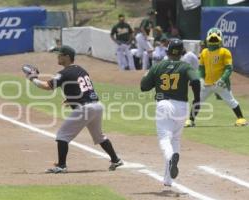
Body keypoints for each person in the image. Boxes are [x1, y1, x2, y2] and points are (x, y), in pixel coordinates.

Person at [23, 45, 123, 173]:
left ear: (67, 57)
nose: (57, 57)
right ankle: (115, 159)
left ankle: (61, 166)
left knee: (62, 135)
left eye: (60, 55)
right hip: (96, 106)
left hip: (85, 108)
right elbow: (84, 89)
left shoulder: (64, 73)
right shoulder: (81, 70)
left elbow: (47, 86)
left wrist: (33, 79)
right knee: (99, 136)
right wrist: (71, 99)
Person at [140, 38, 201, 186]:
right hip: (182, 107)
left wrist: (147, 76)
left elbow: (144, 87)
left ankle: (172, 156)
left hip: (164, 104)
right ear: (181, 53)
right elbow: (196, 81)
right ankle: (168, 180)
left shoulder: (158, 66)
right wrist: (197, 99)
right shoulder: (186, 66)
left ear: (167, 51)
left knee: (164, 139)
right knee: (175, 139)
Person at [185, 27, 248, 127]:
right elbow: (201, 68)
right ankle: (191, 120)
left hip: (220, 84)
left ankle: (241, 119)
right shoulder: (204, 52)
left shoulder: (225, 52)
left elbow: (229, 68)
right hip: (206, 84)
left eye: (215, 39)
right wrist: (200, 79)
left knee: (231, 101)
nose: (213, 41)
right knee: (197, 100)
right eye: (211, 39)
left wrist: (222, 79)